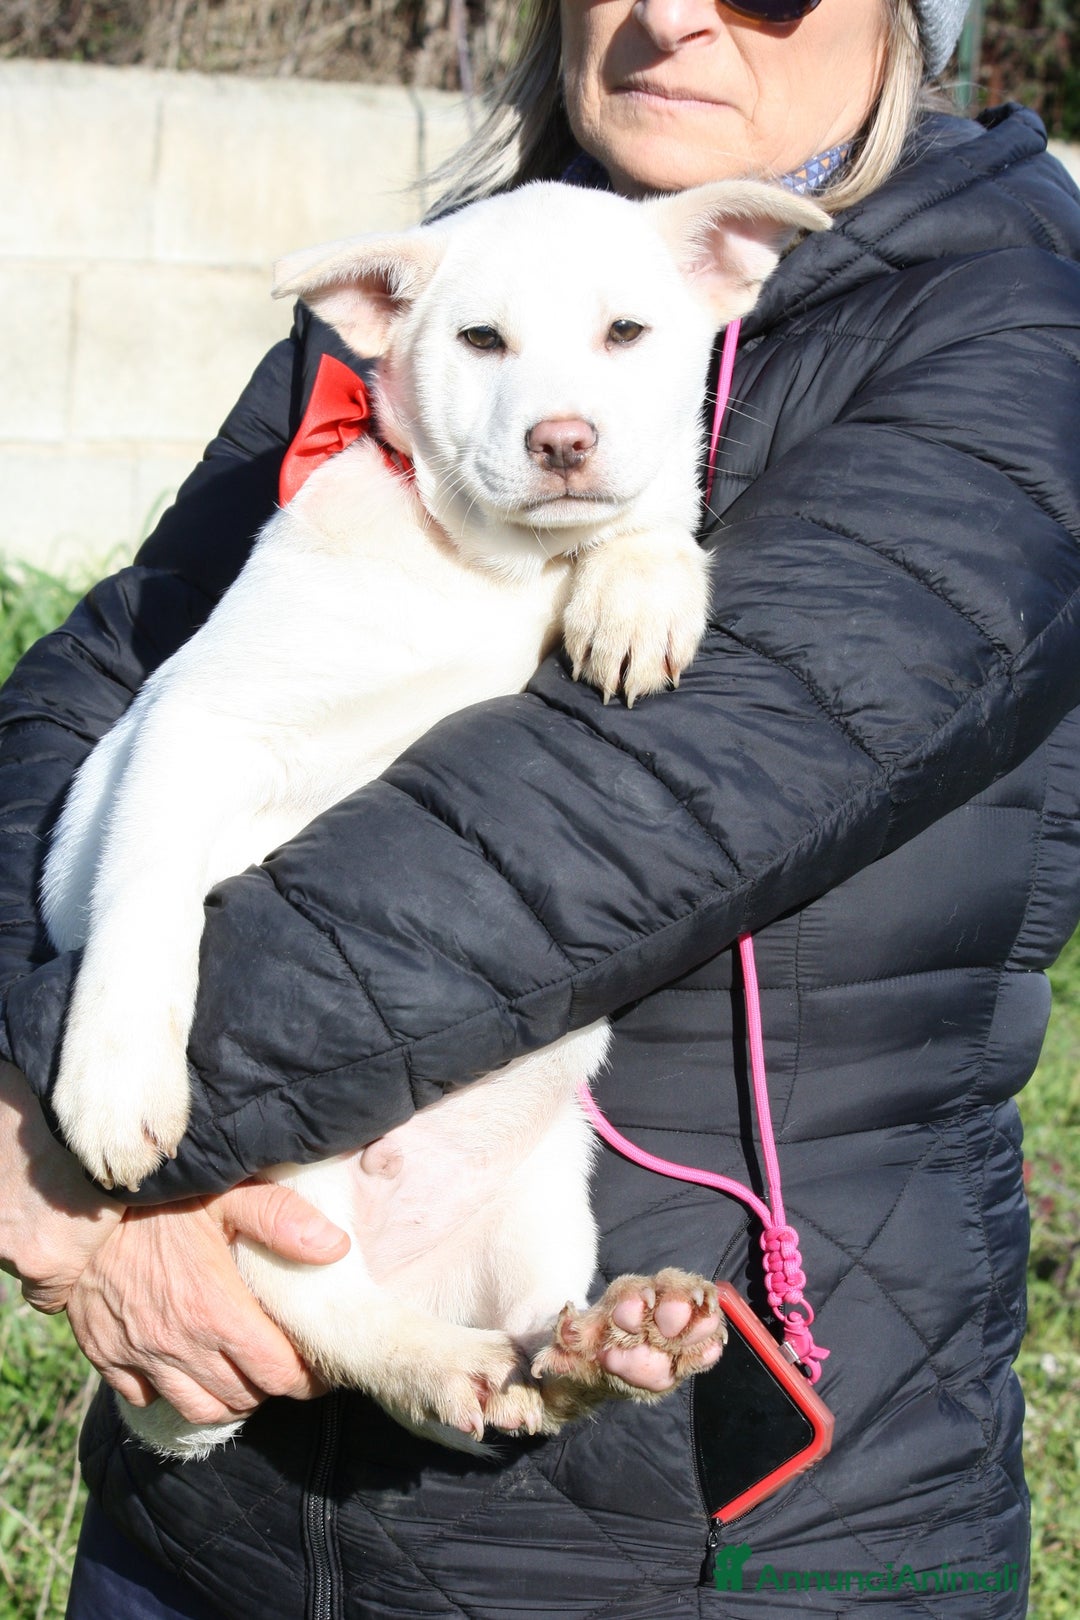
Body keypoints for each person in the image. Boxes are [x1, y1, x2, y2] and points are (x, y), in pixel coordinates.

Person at [1, 0, 1078, 1613]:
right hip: (222, 1529)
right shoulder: (449, 293)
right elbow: (109, 680)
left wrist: (96, 1180)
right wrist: (26, 1081)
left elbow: (590, 834)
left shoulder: (1015, 333)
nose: (670, 10)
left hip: (710, 1530)